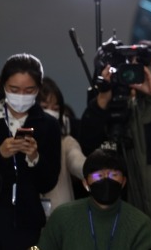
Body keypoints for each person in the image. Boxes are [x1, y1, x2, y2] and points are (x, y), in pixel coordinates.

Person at [80, 40, 151, 250]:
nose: (142, 70)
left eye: (150, 64)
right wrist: (103, 98)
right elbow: (88, 143)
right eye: (133, 64)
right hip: (138, 229)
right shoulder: (123, 111)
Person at [0, 53, 61, 249]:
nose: (21, 96)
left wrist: (34, 158)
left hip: (24, 225)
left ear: (39, 89)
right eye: (14, 89)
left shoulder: (48, 125)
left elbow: (48, 181)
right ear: (3, 86)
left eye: (29, 90)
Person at [37, 148, 151, 250]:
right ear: (85, 183)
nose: (106, 180)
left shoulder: (140, 224)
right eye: (98, 176)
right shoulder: (62, 216)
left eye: (113, 175)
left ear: (123, 181)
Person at [40, 77, 87, 214]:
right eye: (44, 107)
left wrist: (94, 169)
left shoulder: (66, 142)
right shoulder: (19, 142)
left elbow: (77, 161)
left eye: (55, 108)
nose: (51, 113)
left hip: (62, 221)